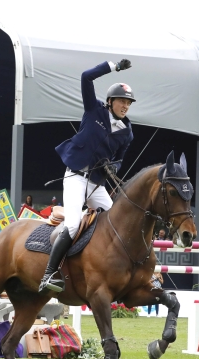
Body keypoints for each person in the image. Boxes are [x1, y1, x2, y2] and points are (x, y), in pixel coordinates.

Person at [39, 57, 135, 294]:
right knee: (72, 225)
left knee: (117, 222)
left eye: (129, 103)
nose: (125, 106)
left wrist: (114, 167)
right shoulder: (94, 109)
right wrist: (113, 67)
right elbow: (86, 77)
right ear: (111, 101)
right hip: (75, 176)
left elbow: (120, 158)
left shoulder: (127, 133)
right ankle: (48, 272)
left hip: (96, 183)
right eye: (122, 101)